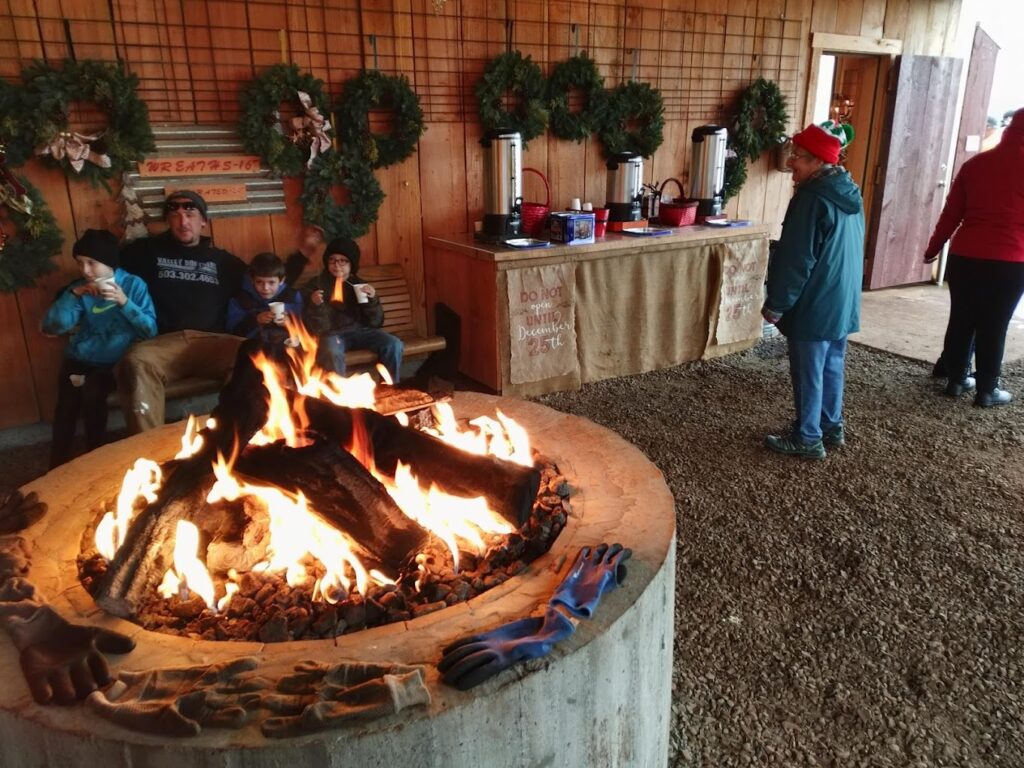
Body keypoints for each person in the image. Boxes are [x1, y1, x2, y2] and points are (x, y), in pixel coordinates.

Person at [761, 123, 865, 459]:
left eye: (799, 158)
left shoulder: (810, 198)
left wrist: (776, 304)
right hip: (841, 299)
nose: (791, 162)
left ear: (819, 161)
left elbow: (796, 259)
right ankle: (830, 425)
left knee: (808, 372)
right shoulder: (849, 192)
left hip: (815, 302)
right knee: (832, 364)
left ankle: (808, 437)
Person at [117, 190, 247, 432]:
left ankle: (234, 436)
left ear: (203, 222)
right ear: (168, 222)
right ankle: (148, 451)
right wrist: (73, 292)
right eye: (174, 215)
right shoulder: (145, 252)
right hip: (164, 344)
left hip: (212, 341)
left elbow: (265, 281)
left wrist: (301, 256)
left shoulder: (222, 261)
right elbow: (103, 265)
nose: (183, 221)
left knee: (253, 356)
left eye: (190, 213)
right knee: (136, 362)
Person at [922, 107, 1024, 408]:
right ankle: (987, 389)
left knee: (962, 318)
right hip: (1011, 260)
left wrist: (933, 247)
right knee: (995, 323)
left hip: (965, 256)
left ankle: (956, 379)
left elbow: (951, 213)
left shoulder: (976, 165)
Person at [42, 229, 157, 467]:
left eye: (91, 263)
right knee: (67, 402)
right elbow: (53, 326)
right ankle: (56, 463)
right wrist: (73, 295)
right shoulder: (79, 288)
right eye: (80, 263)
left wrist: (124, 302)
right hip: (82, 357)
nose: (85, 270)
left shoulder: (133, 285)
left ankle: (97, 457)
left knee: (93, 393)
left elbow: (150, 331)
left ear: (108, 263)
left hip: (117, 361)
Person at [302, 237, 404, 382]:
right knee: (331, 351)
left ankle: (391, 388)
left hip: (360, 332)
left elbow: (376, 323)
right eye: (332, 260)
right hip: (332, 335)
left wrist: (372, 300)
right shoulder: (316, 286)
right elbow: (318, 329)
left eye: (343, 261)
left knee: (393, 344)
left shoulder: (359, 285)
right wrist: (315, 305)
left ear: (352, 264)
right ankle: (338, 396)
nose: (337, 265)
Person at [226, 251, 303, 350]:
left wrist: (289, 323)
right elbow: (232, 331)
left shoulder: (291, 296)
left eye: (271, 282)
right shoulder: (241, 300)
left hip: (287, 346)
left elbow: (305, 329)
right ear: (252, 280)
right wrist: (256, 320)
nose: (265, 288)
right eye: (259, 282)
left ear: (282, 280)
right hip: (255, 349)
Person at [284, 222, 326, 288]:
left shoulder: (321, 256)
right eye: (313, 234)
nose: (316, 238)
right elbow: (288, 285)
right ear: (304, 237)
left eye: (318, 236)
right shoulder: (294, 261)